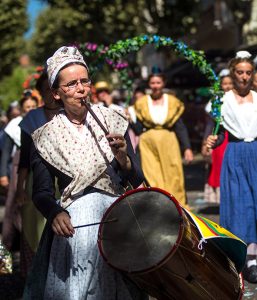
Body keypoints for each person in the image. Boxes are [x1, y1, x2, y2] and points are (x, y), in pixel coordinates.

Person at [24, 46, 146, 299]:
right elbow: (42, 192)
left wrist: (123, 157)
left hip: (116, 222)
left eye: (84, 81)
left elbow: (136, 179)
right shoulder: (46, 137)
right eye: (71, 84)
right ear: (57, 93)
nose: (81, 88)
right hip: (76, 228)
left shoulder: (113, 120)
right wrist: (55, 212)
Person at [206, 51, 257, 283]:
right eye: (240, 72)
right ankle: (248, 257)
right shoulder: (221, 101)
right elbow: (216, 130)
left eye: (248, 72)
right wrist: (211, 140)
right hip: (235, 154)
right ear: (233, 73)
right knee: (241, 201)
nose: (244, 77)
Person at [15, 69, 62, 277]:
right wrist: (20, 189)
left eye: (53, 90)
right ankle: (37, 277)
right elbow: (25, 158)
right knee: (36, 229)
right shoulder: (32, 119)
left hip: (66, 181)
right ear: (40, 94)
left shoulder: (69, 115)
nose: (50, 95)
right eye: (45, 91)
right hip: (37, 182)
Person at [130, 70, 193, 205]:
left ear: (163, 83)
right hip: (148, 143)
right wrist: (129, 120)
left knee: (173, 173)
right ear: (149, 85)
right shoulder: (142, 103)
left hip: (169, 140)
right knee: (152, 175)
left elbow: (180, 126)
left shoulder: (172, 102)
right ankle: (159, 206)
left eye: (158, 82)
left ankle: (178, 207)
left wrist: (187, 148)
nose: (155, 85)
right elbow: (139, 129)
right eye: (152, 83)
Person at [0, 93, 38, 252]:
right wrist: (3, 174)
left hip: (35, 167)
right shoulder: (15, 125)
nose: (30, 109)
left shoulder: (39, 119)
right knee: (13, 206)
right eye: (27, 107)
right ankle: (7, 248)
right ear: (22, 109)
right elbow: (6, 152)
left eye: (33, 106)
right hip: (18, 168)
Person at [201, 69, 233, 203]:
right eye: (224, 84)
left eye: (230, 83)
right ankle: (223, 197)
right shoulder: (216, 102)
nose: (227, 86)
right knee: (219, 168)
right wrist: (206, 141)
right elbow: (211, 124)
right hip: (221, 139)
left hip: (234, 139)